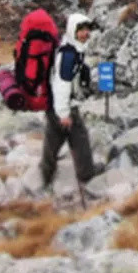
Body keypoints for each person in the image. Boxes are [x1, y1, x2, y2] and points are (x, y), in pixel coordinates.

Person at [39, 12, 96, 190]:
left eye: (88, 29)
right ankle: (86, 177)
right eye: (82, 30)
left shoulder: (73, 50)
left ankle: (46, 175)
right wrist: (63, 113)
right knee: (77, 139)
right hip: (62, 107)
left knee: (54, 142)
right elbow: (62, 85)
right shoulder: (68, 56)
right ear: (73, 30)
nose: (86, 33)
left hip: (58, 107)